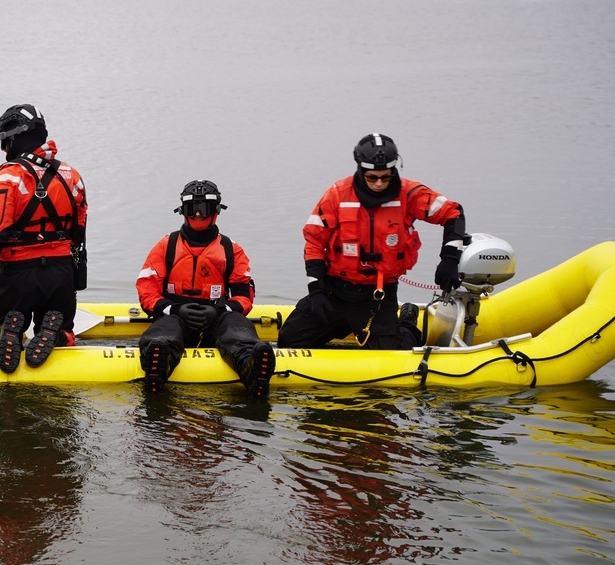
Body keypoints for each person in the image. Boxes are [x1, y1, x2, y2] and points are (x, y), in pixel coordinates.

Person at [277, 133, 466, 350]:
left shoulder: (409, 194)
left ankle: (407, 321)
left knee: (392, 356)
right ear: (360, 170)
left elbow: (453, 213)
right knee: (289, 340)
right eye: (372, 177)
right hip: (334, 289)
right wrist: (317, 289)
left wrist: (450, 258)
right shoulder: (337, 195)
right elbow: (314, 240)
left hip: (377, 294)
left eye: (385, 177)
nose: (378, 184)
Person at [0, 104, 88, 373]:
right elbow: (79, 232)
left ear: (11, 139)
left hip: (17, 275)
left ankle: (2, 334)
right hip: (60, 272)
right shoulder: (72, 175)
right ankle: (55, 334)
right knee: (63, 330)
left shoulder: (9, 175)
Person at [136, 180, 276, 397]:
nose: (199, 214)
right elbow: (147, 290)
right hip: (176, 314)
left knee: (237, 326)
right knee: (166, 331)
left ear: (216, 211)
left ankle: (252, 367)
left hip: (217, 316)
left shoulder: (231, 250)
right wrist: (174, 310)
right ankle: (158, 365)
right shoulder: (166, 246)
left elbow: (243, 296)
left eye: (205, 208)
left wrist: (220, 310)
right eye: (193, 209)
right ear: (183, 211)